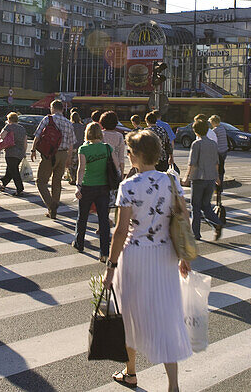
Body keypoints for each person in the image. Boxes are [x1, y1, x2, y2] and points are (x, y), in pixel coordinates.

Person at [103, 130, 192, 389]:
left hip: (135, 256)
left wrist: (111, 266)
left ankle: (131, 372)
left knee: (129, 315)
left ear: (137, 156)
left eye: (129, 152)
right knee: (166, 316)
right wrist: (184, 256)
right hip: (165, 256)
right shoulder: (172, 182)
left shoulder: (129, 186)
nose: (128, 155)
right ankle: (173, 384)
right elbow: (184, 219)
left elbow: (120, 231)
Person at [73, 122, 113, 260]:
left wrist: (78, 186)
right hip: (104, 187)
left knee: (82, 217)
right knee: (103, 220)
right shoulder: (107, 148)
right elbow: (114, 167)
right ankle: (104, 252)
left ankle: (79, 243)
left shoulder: (83, 149)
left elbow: (81, 169)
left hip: (87, 186)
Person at [32, 99, 76, 219]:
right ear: (62, 109)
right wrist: (69, 158)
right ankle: (53, 212)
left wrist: (33, 150)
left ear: (52, 108)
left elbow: (37, 135)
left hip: (49, 154)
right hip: (63, 155)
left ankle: (51, 204)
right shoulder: (68, 123)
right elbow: (72, 144)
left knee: (41, 182)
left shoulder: (48, 119)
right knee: (57, 183)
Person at [186, 119, 223, 241]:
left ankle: (195, 233)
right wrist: (217, 177)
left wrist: (186, 176)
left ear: (195, 131)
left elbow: (192, 163)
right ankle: (217, 223)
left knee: (195, 206)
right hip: (211, 178)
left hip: (198, 178)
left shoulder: (196, 144)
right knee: (206, 205)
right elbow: (216, 162)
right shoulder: (213, 144)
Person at [0, 111, 29, 196]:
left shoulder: (9, 126)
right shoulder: (22, 128)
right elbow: (25, 141)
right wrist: (24, 152)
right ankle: (3, 184)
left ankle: (20, 189)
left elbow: (2, 135)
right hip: (20, 153)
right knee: (10, 169)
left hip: (11, 152)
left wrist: (5, 126)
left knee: (14, 170)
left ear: (9, 119)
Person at [100, 111, 127, 178]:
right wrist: (122, 174)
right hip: (115, 168)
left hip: (101, 168)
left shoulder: (100, 135)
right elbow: (121, 157)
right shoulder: (120, 136)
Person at [208, 114, 228, 201]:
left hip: (218, 152)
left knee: (217, 170)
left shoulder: (215, 130)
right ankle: (220, 187)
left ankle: (218, 187)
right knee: (221, 169)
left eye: (211, 122)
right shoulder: (223, 128)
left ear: (214, 122)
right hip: (224, 150)